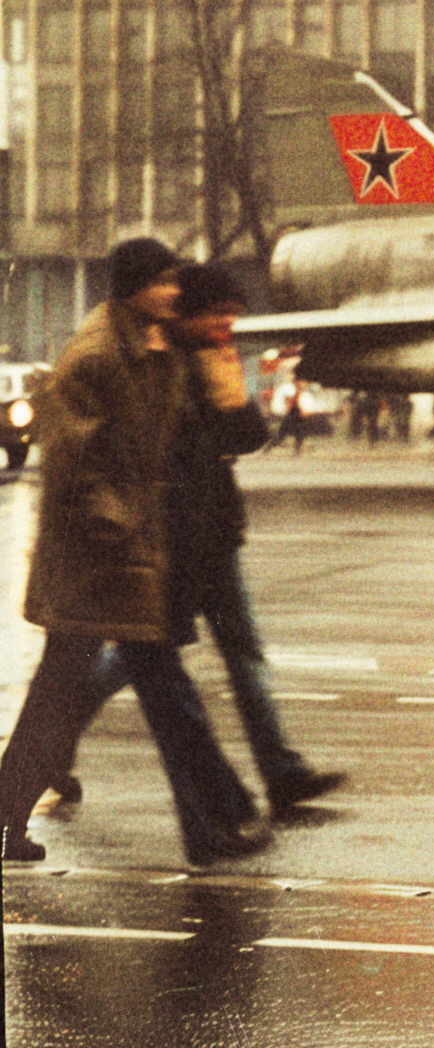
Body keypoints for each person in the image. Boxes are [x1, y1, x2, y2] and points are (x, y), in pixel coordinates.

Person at [0, 239, 269, 865]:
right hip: (95, 561)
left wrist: (224, 381)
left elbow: (209, 441)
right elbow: (73, 464)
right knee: (81, 693)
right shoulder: (96, 357)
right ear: (134, 287)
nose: (176, 290)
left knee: (97, 692)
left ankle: (210, 826)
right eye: (165, 280)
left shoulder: (154, 350)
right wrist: (120, 530)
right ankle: (211, 824)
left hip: (137, 557)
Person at [46, 264, 346, 815]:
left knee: (241, 653)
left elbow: (249, 438)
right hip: (174, 539)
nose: (227, 325)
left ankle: (282, 773)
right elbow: (169, 453)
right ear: (190, 314)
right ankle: (56, 740)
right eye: (217, 314)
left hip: (218, 534)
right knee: (139, 658)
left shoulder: (213, 362)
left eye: (233, 315)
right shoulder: (161, 366)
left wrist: (231, 392)